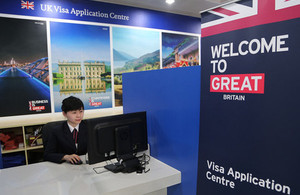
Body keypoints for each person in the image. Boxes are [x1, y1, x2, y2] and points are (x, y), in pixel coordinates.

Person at [43, 96, 87, 164]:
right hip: (64, 168)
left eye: (81, 111)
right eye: (74, 112)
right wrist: (65, 157)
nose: (79, 115)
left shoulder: (88, 127)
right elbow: (47, 155)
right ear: (64, 114)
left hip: (85, 166)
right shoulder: (56, 131)